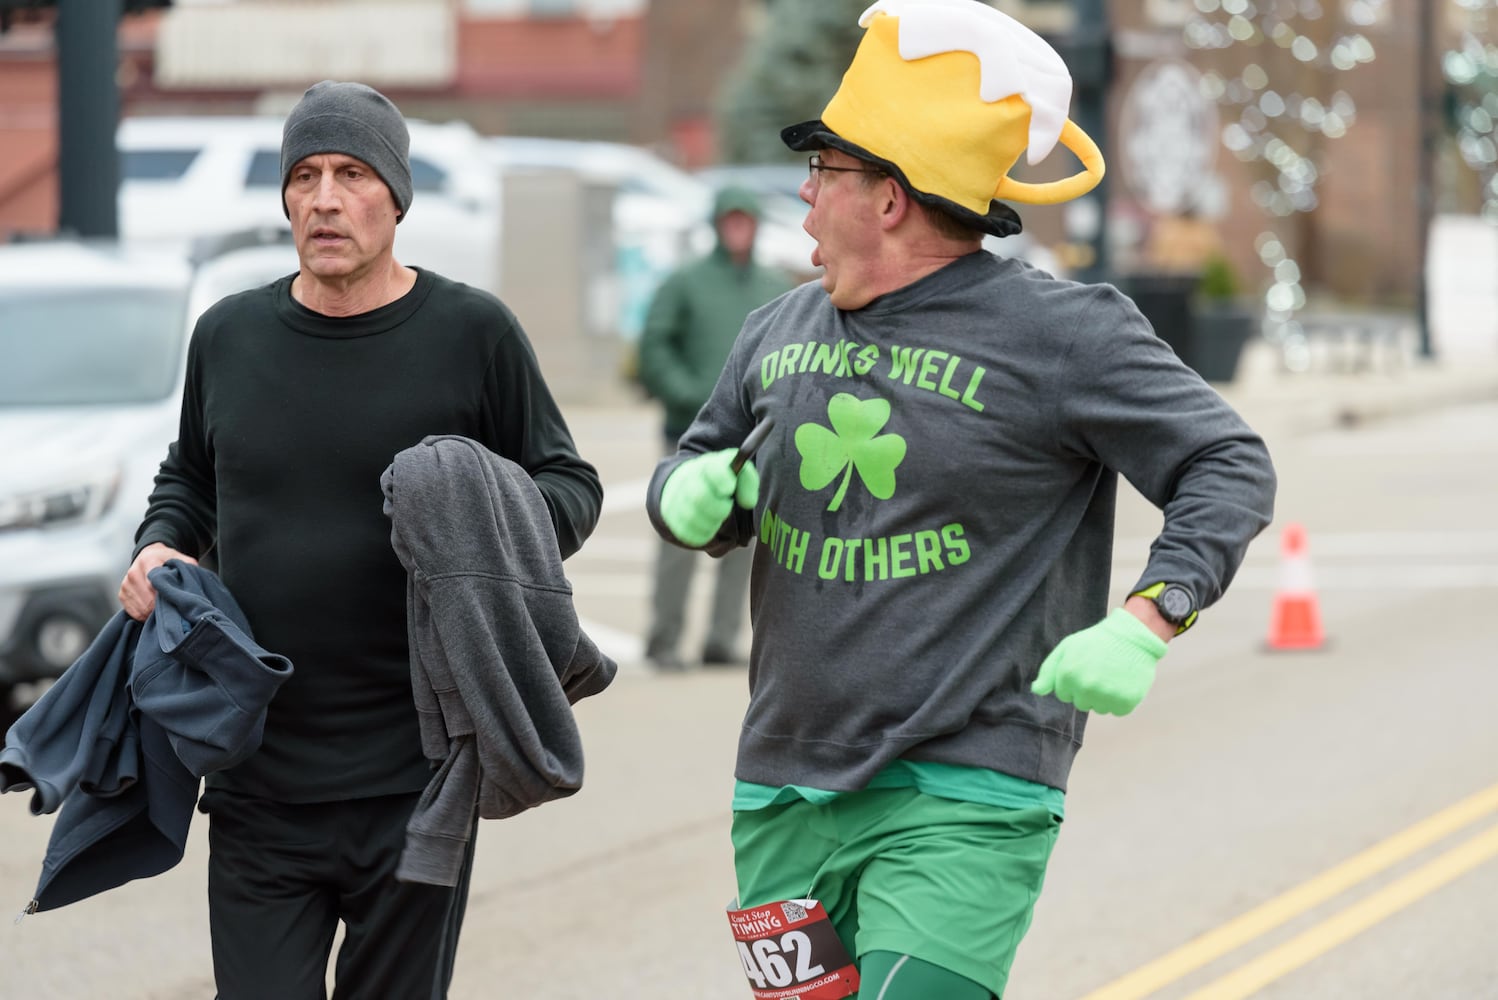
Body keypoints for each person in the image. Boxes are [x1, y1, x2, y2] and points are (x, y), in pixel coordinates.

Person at [644, 3, 1277, 999]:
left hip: (966, 788)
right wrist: (683, 495)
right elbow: (704, 467)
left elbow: (1226, 461)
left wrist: (1152, 617)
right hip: (779, 789)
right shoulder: (776, 328)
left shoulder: (1063, 335)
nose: (803, 197)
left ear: (888, 197)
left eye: (824, 173)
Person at [116, 80, 603, 1000]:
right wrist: (160, 542)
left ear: (396, 195)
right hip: (259, 775)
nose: (325, 198)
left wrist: (483, 526)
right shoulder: (229, 336)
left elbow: (569, 485)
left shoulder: (473, 333)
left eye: (351, 172)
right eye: (304, 176)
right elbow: (188, 479)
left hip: (414, 781)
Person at [636, 185, 794, 671]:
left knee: (742, 539)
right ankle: (664, 640)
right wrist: (686, 392)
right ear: (717, 223)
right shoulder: (685, 282)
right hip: (690, 429)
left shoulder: (773, 286)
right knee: (681, 535)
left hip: (754, 436)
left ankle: (722, 640)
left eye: (746, 219)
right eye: (731, 219)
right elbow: (655, 346)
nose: (738, 227)